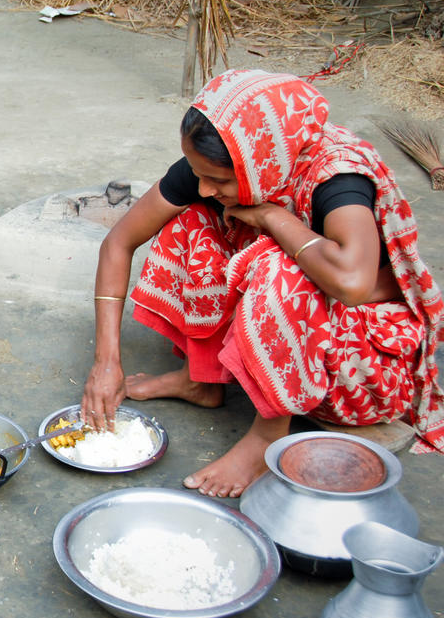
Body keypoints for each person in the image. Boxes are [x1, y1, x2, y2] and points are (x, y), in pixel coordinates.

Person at [82, 69, 444, 497]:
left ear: (260, 161)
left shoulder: (339, 176)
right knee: (191, 222)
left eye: (218, 179)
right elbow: (119, 243)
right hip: (296, 335)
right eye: (200, 174)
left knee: (277, 264)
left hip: (355, 367)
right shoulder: (224, 166)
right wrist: (107, 361)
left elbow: (353, 281)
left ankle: (266, 437)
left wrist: (274, 218)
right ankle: (201, 379)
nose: (203, 185)